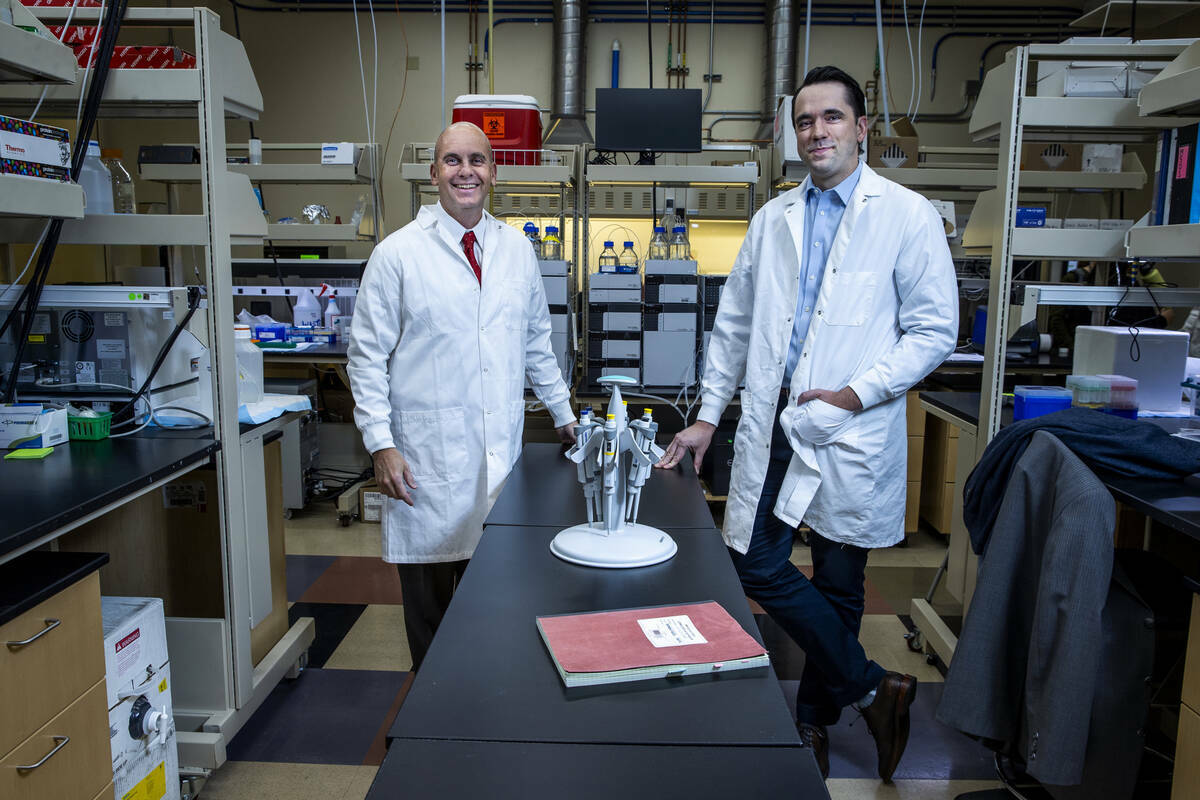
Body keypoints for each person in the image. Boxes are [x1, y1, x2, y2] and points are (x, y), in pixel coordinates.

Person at [657, 66, 959, 782]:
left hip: (851, 427)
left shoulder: (906, 215)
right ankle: (873, 687)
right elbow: (732, 328)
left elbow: (933, 330)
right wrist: (706, 416)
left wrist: (856, 394)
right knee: (753, 559)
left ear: (861, 127)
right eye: (804, 120)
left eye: (831, 117)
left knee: (839, 582)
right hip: (775, 421)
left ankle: (816, 724)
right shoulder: (773, 219)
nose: (816, 131)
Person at [347, 122, 576, 671]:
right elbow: (365, 357)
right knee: (429, 616)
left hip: (499, 463)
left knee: (496, 605)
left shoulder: (517, 250)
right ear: (434, 174)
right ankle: (431, 727)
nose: (465, 171)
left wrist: (567, 417)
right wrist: (381, 445)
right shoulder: (396, 255)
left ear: (493, 172)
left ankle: (486, 715)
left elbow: (536, 345)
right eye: (453, 160)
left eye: (477, 160)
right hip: (424, 467)